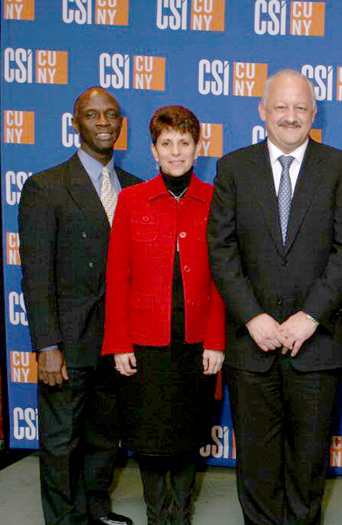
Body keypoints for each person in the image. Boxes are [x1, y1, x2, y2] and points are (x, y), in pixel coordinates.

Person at [207, 69, 342, 524]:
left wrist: (310, 316)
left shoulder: (341, 168)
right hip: (250, 345)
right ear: (263, 112)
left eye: (301, 108)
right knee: (255, 465)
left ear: (314, 113)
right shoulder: (233, 168)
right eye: (281, 107)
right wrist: (251, 316)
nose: (291, 117)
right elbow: (222, 250)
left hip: (315, 346)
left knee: (306, 465)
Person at [18, 87, 140, 525]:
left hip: (119, 340)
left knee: (105, 436)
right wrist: (47, 345)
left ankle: (95, 509)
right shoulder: (45, 187)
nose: (103, 122)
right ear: (76, 123)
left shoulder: (137, 188)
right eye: (92, 115)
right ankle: (64, 520)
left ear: (120, 122)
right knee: (61, 438)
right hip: (68, 341)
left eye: (111, 114)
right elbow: (35, 274)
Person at [101, 106, 225, 525]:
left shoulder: (214, 201)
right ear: (153, 151)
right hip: (143, 342)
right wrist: (118, 343)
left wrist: (216, 341)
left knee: (189, 434)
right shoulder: (132, 200)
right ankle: (157, 514)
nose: (176, 152)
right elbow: (116, 276)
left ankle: (181, 512)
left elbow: (222, 280)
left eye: (184, 144)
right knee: (149, 435)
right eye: (166, 144)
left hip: (194, 344)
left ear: (198, 148)